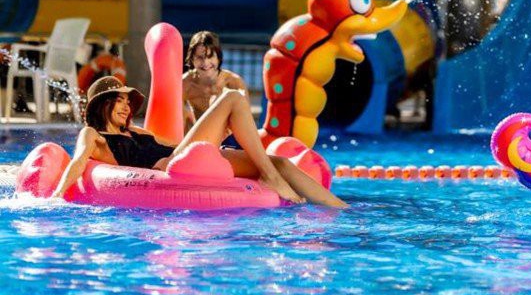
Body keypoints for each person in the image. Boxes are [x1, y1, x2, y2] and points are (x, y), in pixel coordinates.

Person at [51, 76, 347, 208]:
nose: (127, 107)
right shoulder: (94, 135)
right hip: (172, 168)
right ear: (101, 105)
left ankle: (341, 210)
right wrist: (56, 196)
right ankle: (270, 178)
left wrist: (218, 133)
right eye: (120, 100)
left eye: (128, 102)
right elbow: (79, 161)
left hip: (189, 157)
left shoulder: (138, 132)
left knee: (279, 162)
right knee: (232, 97)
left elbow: (176, 144)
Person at [182, 31, 247, 130]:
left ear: (218, 58)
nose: (205, 63)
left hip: (229, 136)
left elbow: (246, 121)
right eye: (200, 57)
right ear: (191, 59)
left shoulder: (233, 82)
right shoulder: (185, 84)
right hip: (199, 134)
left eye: (210, 56)